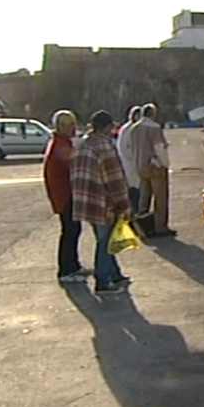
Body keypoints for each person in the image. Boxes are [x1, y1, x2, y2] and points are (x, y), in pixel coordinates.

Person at [71, 110, 132, 295]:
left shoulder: (82, 143)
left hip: (84, 200)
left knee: (104, 239)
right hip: (102, 203)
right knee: (105, 243)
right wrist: (125, 205)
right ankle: (103, 282)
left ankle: (115, 275)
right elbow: (115, 180)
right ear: (107, 127)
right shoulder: (105, 147)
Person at [43, 110, 90, 282]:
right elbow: (73, 164)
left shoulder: (61, 142)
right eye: (70, 125)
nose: (74, 128)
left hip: (65, 193)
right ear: (61, 126)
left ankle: (74, 265)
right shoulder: (60, 145)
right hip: (64, 195)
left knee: (74, 229)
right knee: (70, 231)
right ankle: (66, 270)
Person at [133, 103, 176, 237]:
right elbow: (159, 148)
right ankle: (160, 227)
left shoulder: (135, 128)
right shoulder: (154, 128)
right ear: (152, 114)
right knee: (160, 197)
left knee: (144, 196)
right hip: (155, 167)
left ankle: (142, 223)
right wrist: (166, 164)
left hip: (140, 166)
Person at [116, 106, 143, 212]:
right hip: (130, 164)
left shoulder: (129, 128)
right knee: (134, 192)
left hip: (130, 164)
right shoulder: (130, 129)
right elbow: (126, 147)